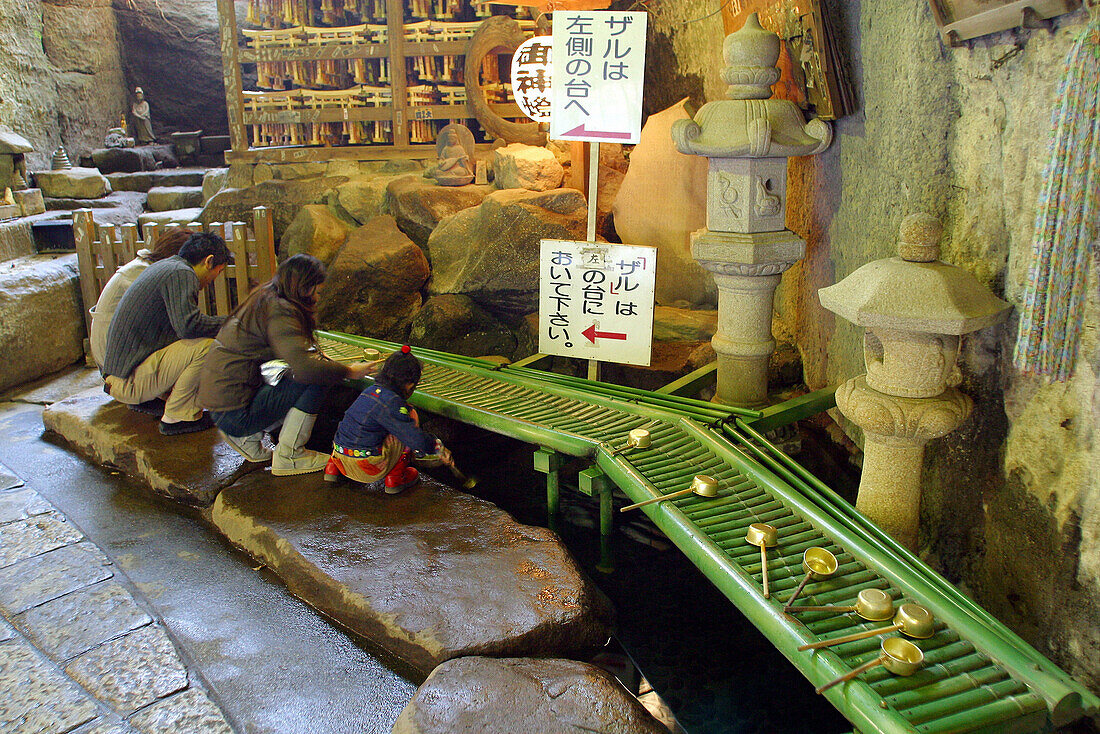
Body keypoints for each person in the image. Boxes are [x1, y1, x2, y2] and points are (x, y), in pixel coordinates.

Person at [198, 254, 376, 475]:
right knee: (316, 377)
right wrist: (349, 371)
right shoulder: (279, 310)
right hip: (233, 414)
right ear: (305, 288)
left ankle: (246, 438)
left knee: (300, 372)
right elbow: (305, 369)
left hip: (221, 405)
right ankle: (290, 455)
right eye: (318, 292)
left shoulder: (267, 295)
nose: (318, 299)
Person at [102, 232, 232, 435]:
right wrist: (232, 322)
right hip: (127, 381)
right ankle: (178, 416)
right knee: (207, 348)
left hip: (117, 377)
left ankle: (153, 400)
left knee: (196, 343)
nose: (215, 278)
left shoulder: (165, 267)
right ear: (209, 261)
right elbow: (188, 326)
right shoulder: (182, 273)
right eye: (219, 270)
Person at [325, 345, 452, 493]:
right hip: (367, 468)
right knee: (409, 418)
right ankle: (396, 478)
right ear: (410, 385)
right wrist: (437, 447)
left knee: (356, 426)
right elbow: (414, 438)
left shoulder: (369, 392)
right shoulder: (393, 403)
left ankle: (331, 470)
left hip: (340, 460)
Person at [89, 227, 193, 370]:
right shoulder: (142, 272)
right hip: (113, 354)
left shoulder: (144, 266)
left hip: (114, 349)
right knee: (196, 349)